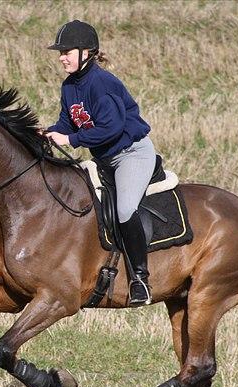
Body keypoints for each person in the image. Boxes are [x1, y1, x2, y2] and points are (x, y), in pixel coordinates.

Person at [44, 19, 155, 306]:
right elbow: (67, 123)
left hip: (131, 154)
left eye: (67, 51)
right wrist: (49, 133)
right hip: (104, 158)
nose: (61, 56)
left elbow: (112, 127)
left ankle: (140, 279)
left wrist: (71, 141)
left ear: (87, 52)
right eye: (61, 51)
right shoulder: (70, 86)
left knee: (125, 208)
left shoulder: (103, 83)